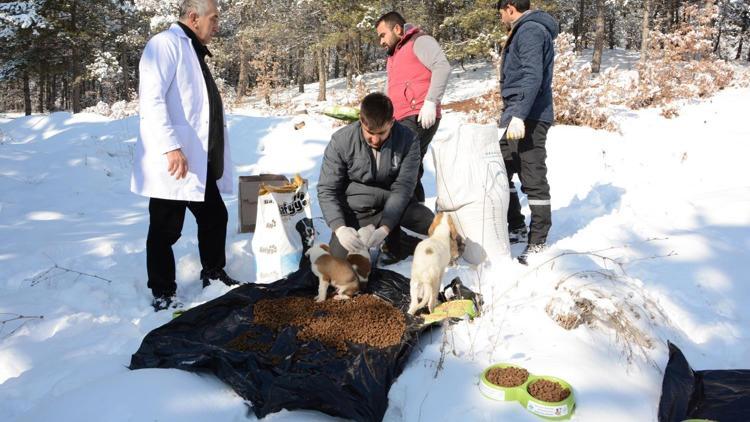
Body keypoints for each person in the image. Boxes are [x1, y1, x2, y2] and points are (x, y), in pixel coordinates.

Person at [131, 0, 239, 311]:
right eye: (213, 18)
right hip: (174, 160)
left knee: (215, 217)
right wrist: (170, 146)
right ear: (194, 17)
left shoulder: (191, 48)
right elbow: (151, 100)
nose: (216, 25)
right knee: (165, 229)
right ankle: (163, 292)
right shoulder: (164, 44)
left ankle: (214, 274)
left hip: (195, 159)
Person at [317, 93, 434, 261]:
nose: (375, 139)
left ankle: (395, 238)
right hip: (356, 210)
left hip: (393, 205)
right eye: (370, 132)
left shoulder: (408, 140)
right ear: (361, 121)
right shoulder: (341, 141)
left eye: (382, 133)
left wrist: (385, 227)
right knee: (340, 261)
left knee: (428, 221)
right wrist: (340, 228)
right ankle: (392, 239)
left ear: (392, 122)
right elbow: (327, 189)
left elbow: (403, 187)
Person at [497, 0, 558, 264]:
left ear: (510, 8)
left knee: (532, 176)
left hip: (530, 115)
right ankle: (516, 225)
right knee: (501, 169)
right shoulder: (524, 30)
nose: (501, 18)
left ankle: (538, 241)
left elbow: (533, 76)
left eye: (500, 13)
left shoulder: (531, 30)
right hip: (516, 113)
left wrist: (520, 115)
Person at [375, 11, 451, 203]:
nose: (381, 41)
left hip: (419, 114)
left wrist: (431, 102)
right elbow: (392, 86)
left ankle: (410, 216)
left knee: (401, 165)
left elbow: (442, 67)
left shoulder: (419, 41)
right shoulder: (394, 55)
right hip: (400, 118)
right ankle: (416, 218)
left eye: (383, 35)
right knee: (408, 166)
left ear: (397, 29)